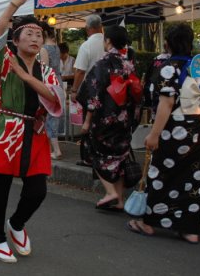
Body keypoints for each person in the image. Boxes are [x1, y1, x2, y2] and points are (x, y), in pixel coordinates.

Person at [0, 0, 63, 263]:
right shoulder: (3, 59)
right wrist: (13, 5)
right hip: (6, 128)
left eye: (39, 34)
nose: (35, 38)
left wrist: (27, 77)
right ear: (15, 40)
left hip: (35, 131)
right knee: (0, 187)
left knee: (38, 189)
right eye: (29, 33)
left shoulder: (46, 70)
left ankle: (16, 224)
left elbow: (55, 98)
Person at [127, 23, 200, 244]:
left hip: (175, 126)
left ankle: (149, 222)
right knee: (194, 179)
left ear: (168, 43)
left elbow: (166, 103)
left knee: (161, 174)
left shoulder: (169, 66)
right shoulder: (199, 68)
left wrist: (154, 134)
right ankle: (190, 229)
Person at [79, 26, 142, 211]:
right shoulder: (129, 63)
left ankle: (110, 192)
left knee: (95, 152)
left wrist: (87, 120)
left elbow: (94, 93)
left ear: (107, 41)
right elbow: (138, 94)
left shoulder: (103, 63)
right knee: (120, 156)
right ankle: (120, 200)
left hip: (105, 119)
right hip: (125, 119)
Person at [71, 15, 105, 167]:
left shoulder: (87, 45)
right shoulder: (108, 42)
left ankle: (88, 157)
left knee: (88, 123)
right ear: (100, 26)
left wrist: (74, 90)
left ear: (88, 28)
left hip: (91, 90)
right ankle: (103, 154)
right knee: (104, 123)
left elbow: (80, 71)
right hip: (109, 90)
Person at [39, 25, 63, 159]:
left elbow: (45, 70)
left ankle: (56, 150)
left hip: (50, 83)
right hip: (58, 80)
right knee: (55, 113)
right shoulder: (56, 47)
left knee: (50, 114)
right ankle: (51, 147)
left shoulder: (44, 49)